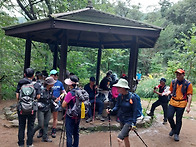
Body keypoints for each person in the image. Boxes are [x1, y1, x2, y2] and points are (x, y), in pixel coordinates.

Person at [106, 78, 137, 147]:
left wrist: (133, 123)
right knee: (125, 138)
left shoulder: (132, 97)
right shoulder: (120, 96)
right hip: (122, 119)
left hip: (129, 121)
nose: (117, 89)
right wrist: (111, 111)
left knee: (119, 138)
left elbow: (135, 111)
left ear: (123, 88)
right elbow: (117, 107)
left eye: (118, 87)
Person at [16, 68, 41, 147]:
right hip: (32, 109)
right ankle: (29, 143)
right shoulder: (36, 84)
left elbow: (17, 97)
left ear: (24, 75)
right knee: (31, 125)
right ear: (33, 75)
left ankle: (21, 144)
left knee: (21, 126)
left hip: (21, 108)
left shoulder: (20, 83)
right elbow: (38, 96)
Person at [167, 68, 193, 141]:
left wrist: (188, 106)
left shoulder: (188, 84)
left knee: (179, 119)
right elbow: (170, 90)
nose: (178, 76)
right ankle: (173, 128)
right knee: (169, 116)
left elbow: (190, 95)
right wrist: (167, 93)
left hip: (182, 103)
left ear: (183, 75)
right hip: (173, 102)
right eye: (177, 74)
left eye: (179, 74)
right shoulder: (173, 82)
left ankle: (176, 134)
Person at [33, 77, 56, 142]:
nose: (53, 84)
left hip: (48, 108)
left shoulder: (51, 90)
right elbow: (36, 98)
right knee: (40, 124)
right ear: (48, 83)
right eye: (52, 83)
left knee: (46, 123)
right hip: (41, 108)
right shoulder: (41, 89)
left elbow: (51, 98)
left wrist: (55, 100)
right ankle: (31, 133)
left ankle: (45, 137)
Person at [62, 75, 80, 147]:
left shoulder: (70, 93)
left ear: (71, 84)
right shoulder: (80, 91)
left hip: (70, 115)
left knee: (69, 134)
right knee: (76, 133)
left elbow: (63, 105)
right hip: (78, 115)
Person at [49, 69, 66, 138]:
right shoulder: (48, 82)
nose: (56, 76)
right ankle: (42, 130)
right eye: (54, 75)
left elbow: (63, 92)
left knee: (55, 117)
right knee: (45, 117)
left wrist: (62, 96)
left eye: (56, 75)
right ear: (51, 75)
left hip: (56, 102)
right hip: (49, 101)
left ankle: (54, 129)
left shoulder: (59, 83)